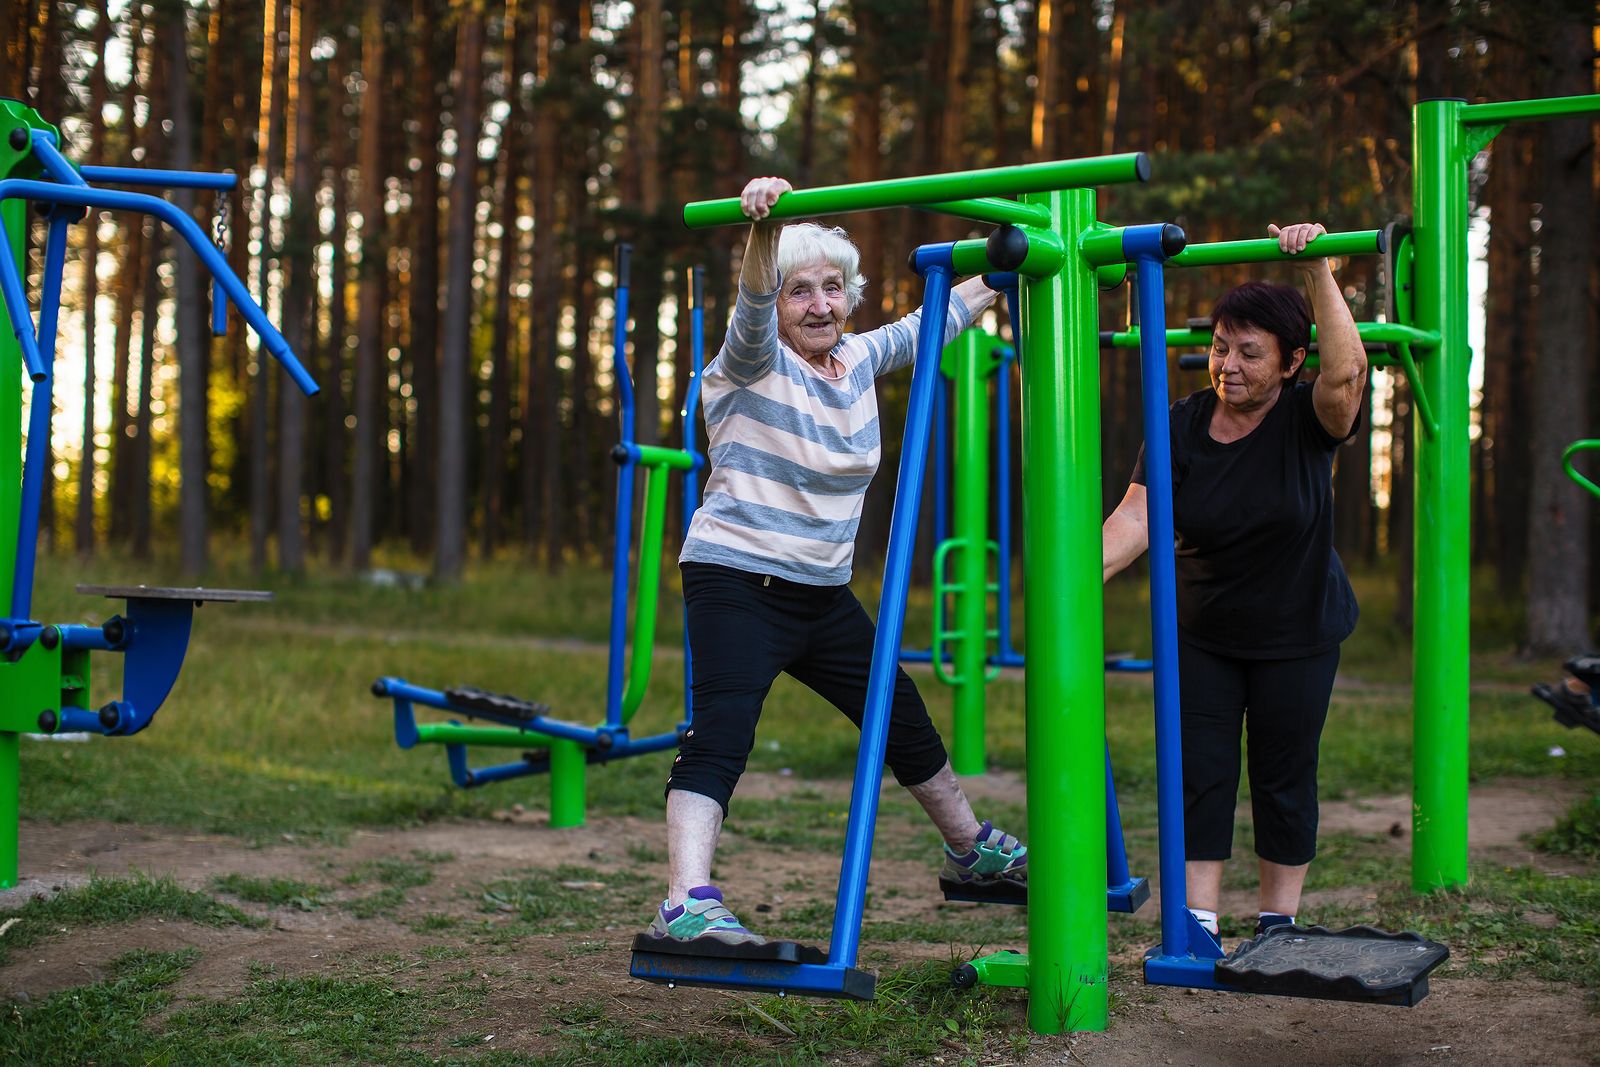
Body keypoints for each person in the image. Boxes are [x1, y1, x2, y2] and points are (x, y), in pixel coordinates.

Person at [644, 177, 1027, 947]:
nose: (819, 305)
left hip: (820, 591)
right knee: (723, 729)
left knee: (900, 711)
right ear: (777, 303)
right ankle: (685, 901)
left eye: (831, 288)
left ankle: (970, 849)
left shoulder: (853, 359)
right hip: (737, 577)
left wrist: (1002, 269)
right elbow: (750, 307)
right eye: (798, 292)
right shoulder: (750, 363)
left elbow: (931, 323)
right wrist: (761, 228)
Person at [1100, 223, 1366, 939]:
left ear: (1290, 362)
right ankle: (1199, 921)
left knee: (1283, 775)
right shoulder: (1181, 423)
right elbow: (1137, 516)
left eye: (1251, 353)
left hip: (1299, 628)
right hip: (1205, 631)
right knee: (1202, 771)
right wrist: (1077, 577)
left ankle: (1278, 922)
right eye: (1222, 347)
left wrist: (1316, 270)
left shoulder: (1310, 418)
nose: (1230, 364)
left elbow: (1348, 376)